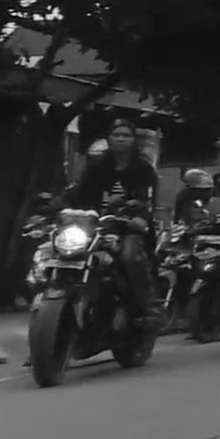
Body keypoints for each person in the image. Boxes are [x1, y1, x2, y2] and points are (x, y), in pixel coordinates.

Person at [68, 119, 163, 328]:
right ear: (108, 138)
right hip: (94, 227)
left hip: (129, 227)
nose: (121, 139)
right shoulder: (95, 166)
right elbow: (78, 195)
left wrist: (136, 214)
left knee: (130, 256)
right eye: (116, 134)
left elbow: (147, 201)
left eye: (126, 135)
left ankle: (149, 308)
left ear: (133, 140)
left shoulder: (143, 168)